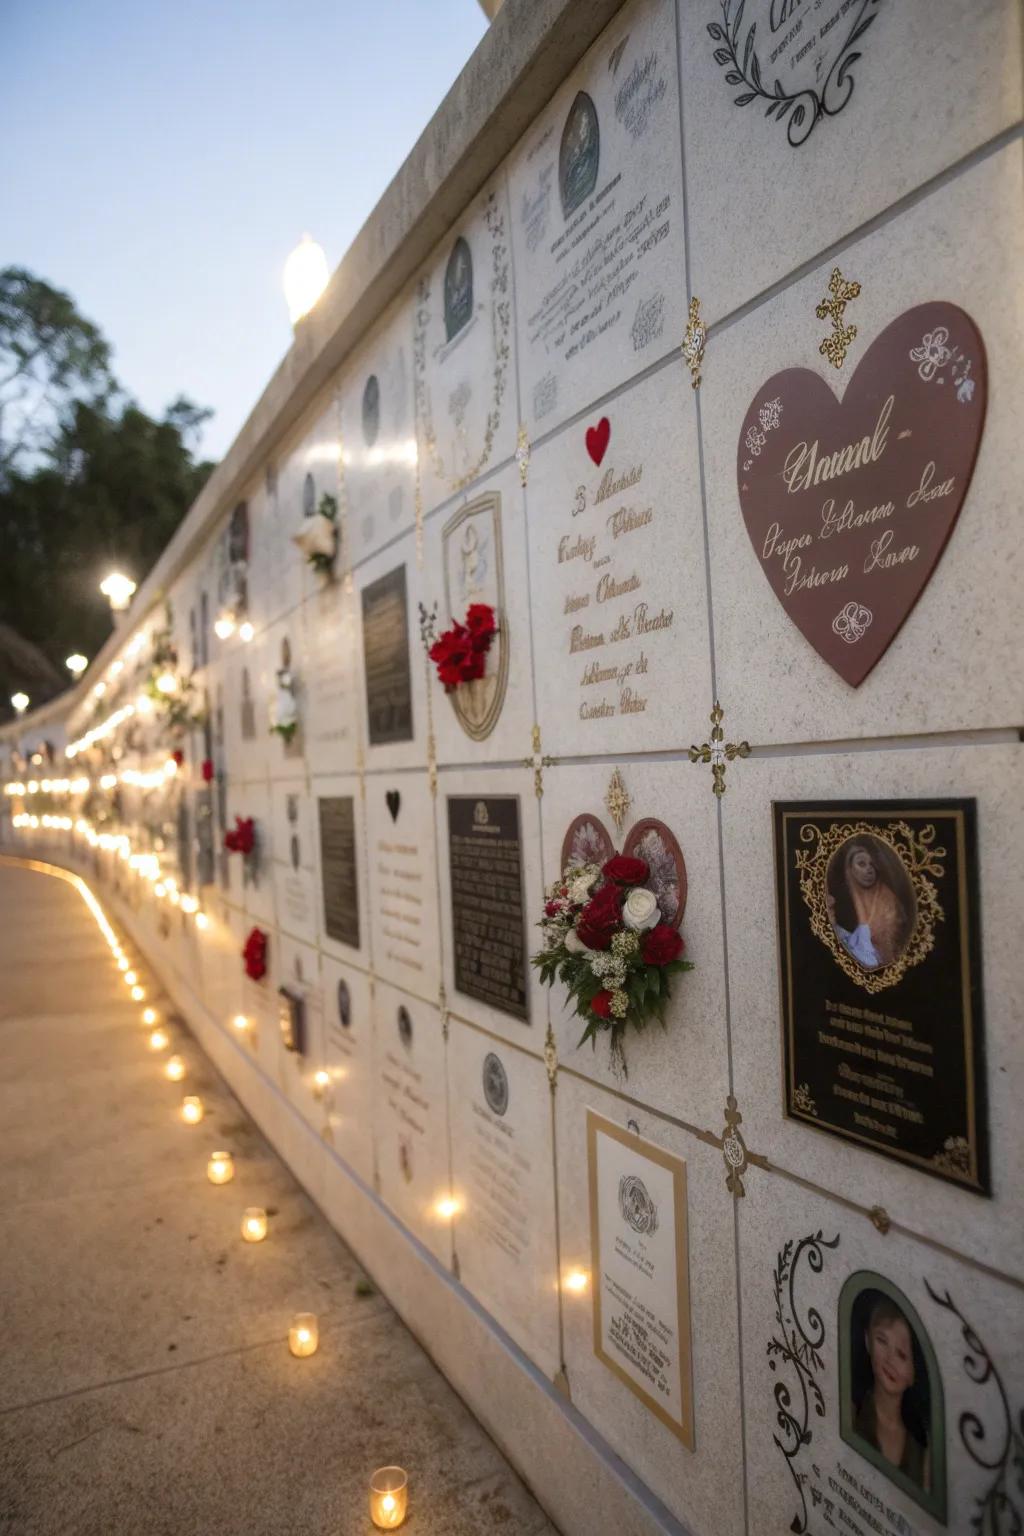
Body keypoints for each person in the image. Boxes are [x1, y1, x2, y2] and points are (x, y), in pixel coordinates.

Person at [854, 1297, 929, 1491]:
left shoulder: (922, 1452)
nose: (889, 1360)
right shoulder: (851, 1412)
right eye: (882, 1340)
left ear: (914, 1373)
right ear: (867, 1341)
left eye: (902, 1355)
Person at [828, 839, 910, 969]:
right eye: (862, 864)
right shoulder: (843, 899)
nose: (869, 869)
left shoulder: (887, 899)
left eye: (872, 864)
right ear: (850, 869)